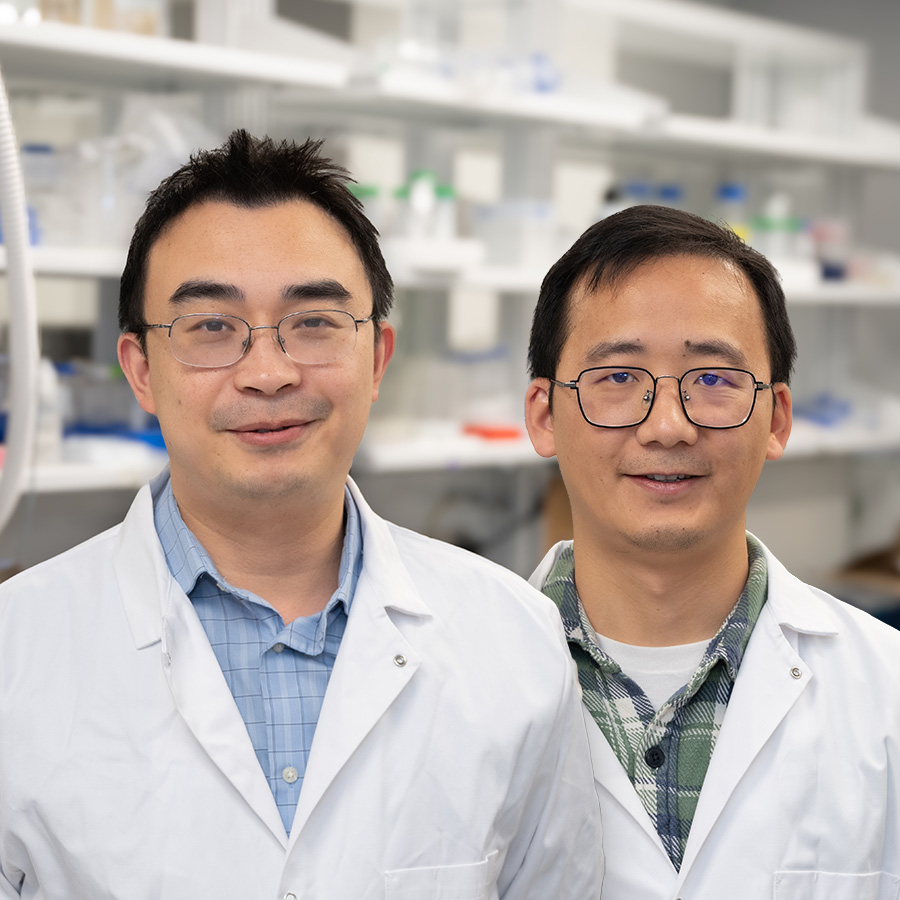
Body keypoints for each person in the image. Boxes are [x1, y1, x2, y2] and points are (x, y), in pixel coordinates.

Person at [0, 130, 602, 899]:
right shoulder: (15, 655)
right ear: (142, 371)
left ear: (378, 357)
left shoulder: (514, 641)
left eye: (314, 322)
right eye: (211, 327)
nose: (268, 372)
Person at [524, 204, 900, 898]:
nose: (667, 427)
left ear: (777, 419)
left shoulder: (887, 692)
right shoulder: (460, 675)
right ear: (544, 415)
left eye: (715, 380)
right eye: (618, 378)